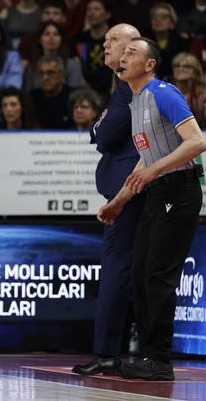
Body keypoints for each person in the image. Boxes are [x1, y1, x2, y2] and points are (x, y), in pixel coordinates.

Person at [96, 37, 206, 381]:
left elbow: (197, 142)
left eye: (132, 53)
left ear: (149, 65)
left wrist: (154, 170)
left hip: (180, 189)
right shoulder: (135, 103)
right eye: (122, 52)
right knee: (142, 276)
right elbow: (145, 161)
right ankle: (148, 355)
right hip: (158, 192)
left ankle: (159, 359)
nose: (123, 56)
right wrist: (118, 201)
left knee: (158, 277)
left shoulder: (163, 93)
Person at [73, 24, 144, 377]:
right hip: (132, 192)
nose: (105, 43)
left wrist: (99, 127)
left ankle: (107, 353)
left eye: (113, 39)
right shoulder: (123, 87)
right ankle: (128, 352)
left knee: (117, 273)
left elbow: (103, 134)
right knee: (132, 273)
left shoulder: (131, 89)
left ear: (133, 48)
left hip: (129, 195)